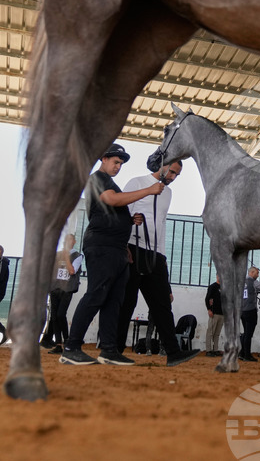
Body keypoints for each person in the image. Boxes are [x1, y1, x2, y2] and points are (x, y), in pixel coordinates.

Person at [61, 143, 187, 367]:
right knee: (96, 295)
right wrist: (148, 191)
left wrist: (129, 221)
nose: (118, 166)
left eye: (121, 163)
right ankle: (71, 347)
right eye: (115, 162)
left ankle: (110, 350)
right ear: (103, 159)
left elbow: (113, 211)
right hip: (103, 245)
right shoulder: (98, 179)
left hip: (118, 248)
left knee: (114, 301)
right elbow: (110, 200)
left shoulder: (113, 183)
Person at [115, 159, 198, 367]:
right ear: (162, 165)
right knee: (127, 302)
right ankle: (115, 350)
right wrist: (123, 245)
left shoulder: (167, 193)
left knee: (162, 304)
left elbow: (161, 224)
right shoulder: (137, 182)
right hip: (132, 248)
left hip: (155, 254)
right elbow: (122, 213)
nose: (173, 177)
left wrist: (162, 257)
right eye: (172, 172)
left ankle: (173, 352)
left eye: (177, 175)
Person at [40, 231, 83, 353]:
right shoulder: (57, 255)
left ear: (74, 242)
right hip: (55, 288)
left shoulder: (77, 256)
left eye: (69, 240)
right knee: (54, 316)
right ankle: (58, 344)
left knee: (60, 314)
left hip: (67, 289)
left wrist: (65, 257)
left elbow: (72, 271)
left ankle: (67, 340)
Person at [239, 267, 260, 362]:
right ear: (252, 272)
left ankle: (242, 353)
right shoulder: (254, 282)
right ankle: (247, 355)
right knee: (248, 334)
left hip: (242, 310)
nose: (257, 275)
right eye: (257, 273)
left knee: (245, 333)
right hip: (250, 310)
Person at [205, 275, 223, 356]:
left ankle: (215, 349)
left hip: (222, 313)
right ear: (217, 276)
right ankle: (208, 350)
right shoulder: (212, 287)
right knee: (210, 332)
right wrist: (209, 309)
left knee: (217, 333)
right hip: (214, 313)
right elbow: (207, 298)